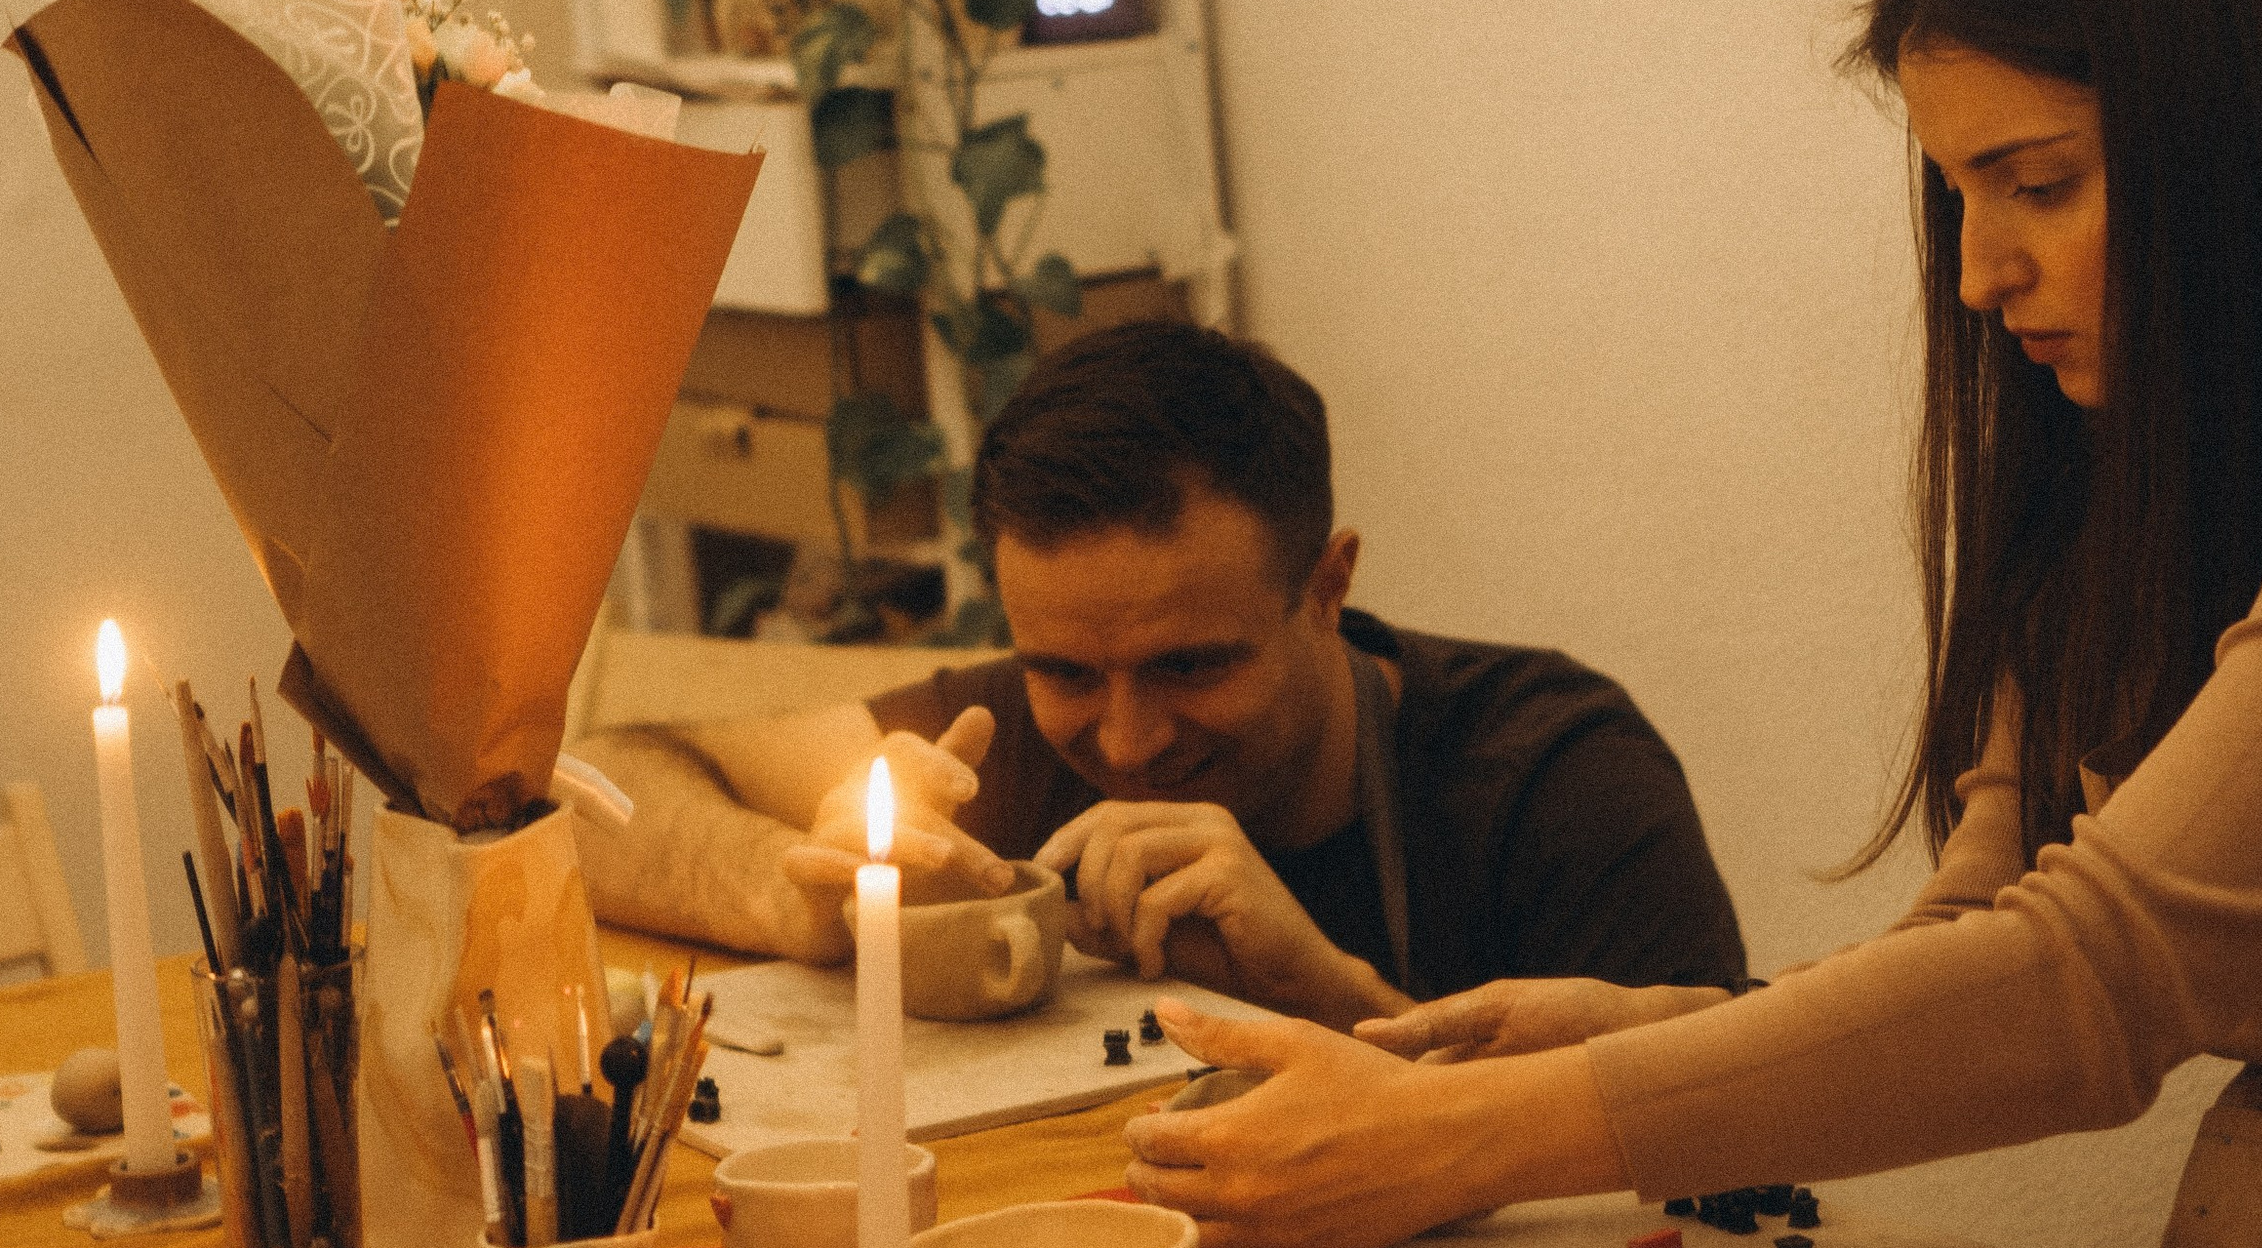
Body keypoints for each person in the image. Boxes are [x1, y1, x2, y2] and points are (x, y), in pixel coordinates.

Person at [1124, 0, 2262, 1248]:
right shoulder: (2129, 462)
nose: (1979, 274)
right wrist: (1639, 1033)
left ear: (2237, 160)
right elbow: (1987, 929)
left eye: (2037, 185)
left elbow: (2093, 978)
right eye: (1958, 195)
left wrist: (1476, 1133)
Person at [581, 322, 1747, 1021]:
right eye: (1068, 671)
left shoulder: (1556, 775)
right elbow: (596, 786)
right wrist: (797, 888)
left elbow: (1737, 1164)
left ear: (1326, 587)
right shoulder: (999, 744)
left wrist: (1327, 995)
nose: (1128, 741)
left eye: (1191, 666)